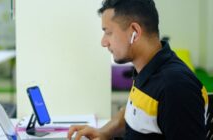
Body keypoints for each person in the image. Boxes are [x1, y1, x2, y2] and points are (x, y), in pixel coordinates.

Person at [67, 0, 209, 139]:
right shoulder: (146, 69)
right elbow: (135, 114)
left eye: (108, 32)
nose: (103, 42)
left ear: (134, 32)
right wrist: (103, 132)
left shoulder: (174, 87)